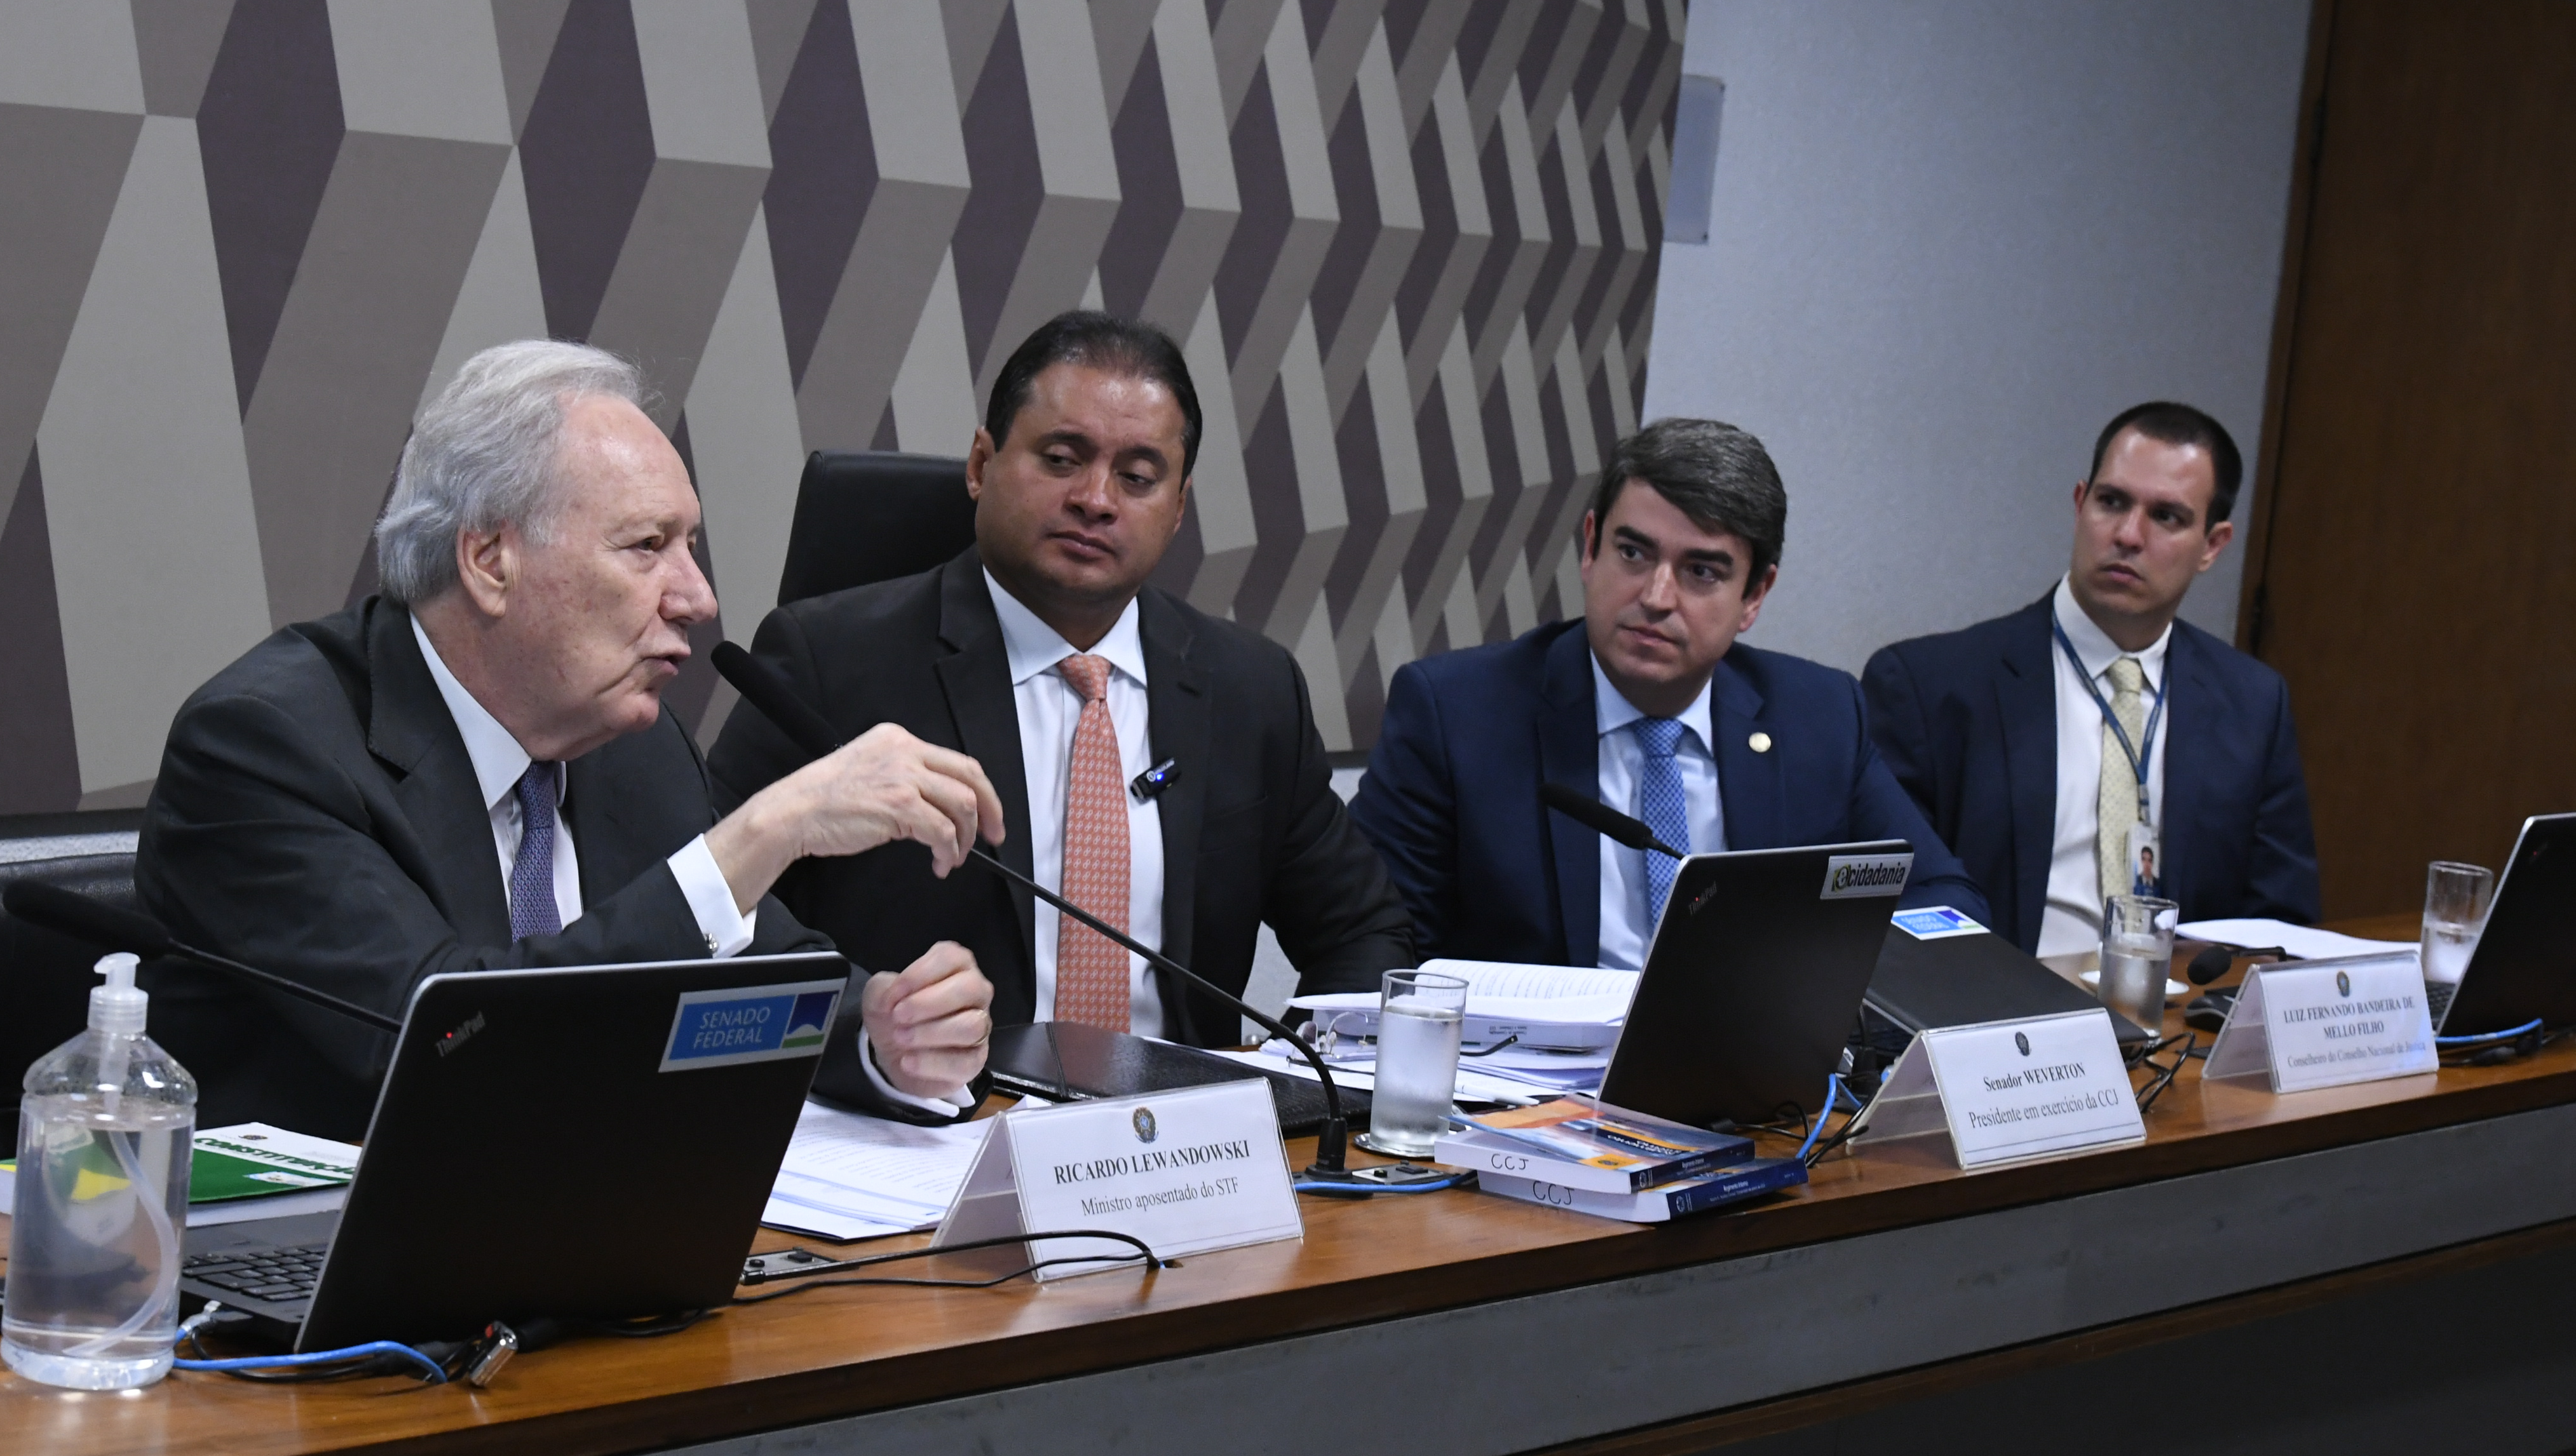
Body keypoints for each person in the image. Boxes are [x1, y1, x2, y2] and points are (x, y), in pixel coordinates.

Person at [135, 342, 1003, 1140]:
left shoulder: (632, 743)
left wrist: (882, 1032)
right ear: (489, 562)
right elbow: (456, 1042)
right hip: (308, 1273)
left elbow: (760, 979)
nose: (696, 598)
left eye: (689, 544)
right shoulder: (265, 747)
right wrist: (764, 833)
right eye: (646, 547)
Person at [707, 311, 1412, 1045]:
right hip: (930, 1128)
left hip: (1177, 1137)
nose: (1096, 500)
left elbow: (1364, 931)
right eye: (1062, 459)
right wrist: (868, 1035)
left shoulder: (1251, 688)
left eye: (1138, 478)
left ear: (1177, 509)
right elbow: (718, 912)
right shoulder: (829, 662)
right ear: (980, 466)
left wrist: (1301, 1083)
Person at [1350, 418, 1986, 969]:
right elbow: (1377, 943)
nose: (1656, 597)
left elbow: (1943, 904)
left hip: (1751, 1092)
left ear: (1755, 596)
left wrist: (1822, 990)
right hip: (1521, 1095)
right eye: (1633, 553)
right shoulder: (1456, 714)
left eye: (1701, 572)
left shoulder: (1817, 716)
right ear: (1590, 547)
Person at [1861, 402, 2319, 956]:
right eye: (2112, 502)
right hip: (2004, 1019)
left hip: (2178, 1027)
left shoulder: (2252, 701)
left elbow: (2279, 921)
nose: (2128, 534)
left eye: (2167, 517)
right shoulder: (1930, 687)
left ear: (2213, 545)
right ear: (2080, 505)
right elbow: (1887, 911)